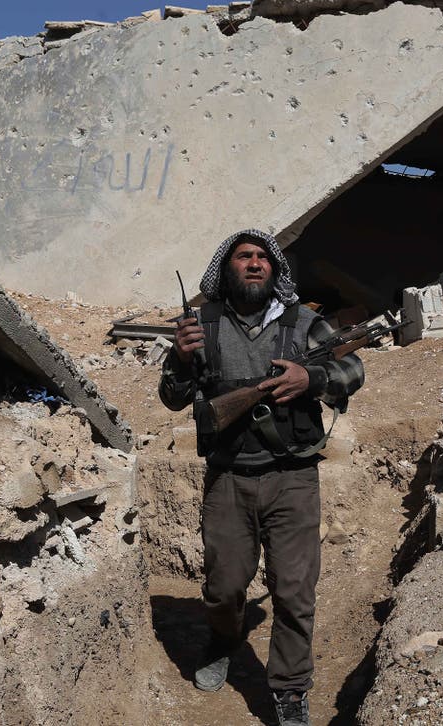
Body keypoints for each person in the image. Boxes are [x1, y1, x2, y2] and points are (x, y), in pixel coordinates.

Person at [158, 229, 365, 726]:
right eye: (243, 257)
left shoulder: (304, 323)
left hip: (293, 477)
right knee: (225, 586)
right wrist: (182, 360)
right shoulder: (200, 326)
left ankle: (290, 688)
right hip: (228, 478)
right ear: (226, 269)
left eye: (263, 258)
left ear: (276, 270)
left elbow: (353, 370)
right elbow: (171, 396)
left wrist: (309, 378)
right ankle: (224, 639)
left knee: (295, 590)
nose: (254, 264)